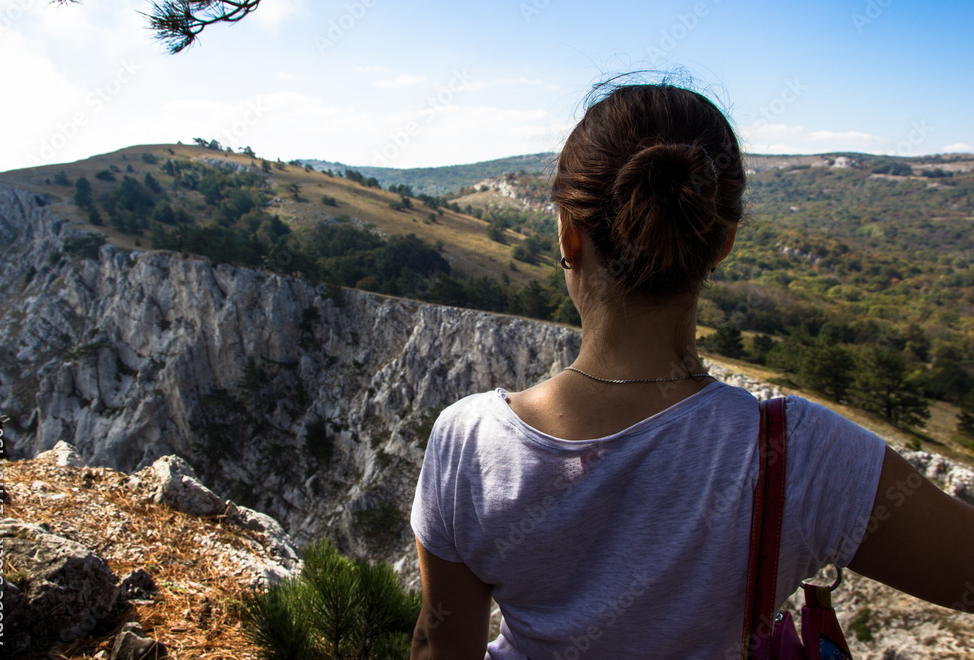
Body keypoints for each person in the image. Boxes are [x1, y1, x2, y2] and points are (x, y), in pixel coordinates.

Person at [409, 82, 974, 658]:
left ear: (569, 237)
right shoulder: (800, 454)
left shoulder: (469, 442)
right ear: (723, 242)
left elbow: (440, 643)